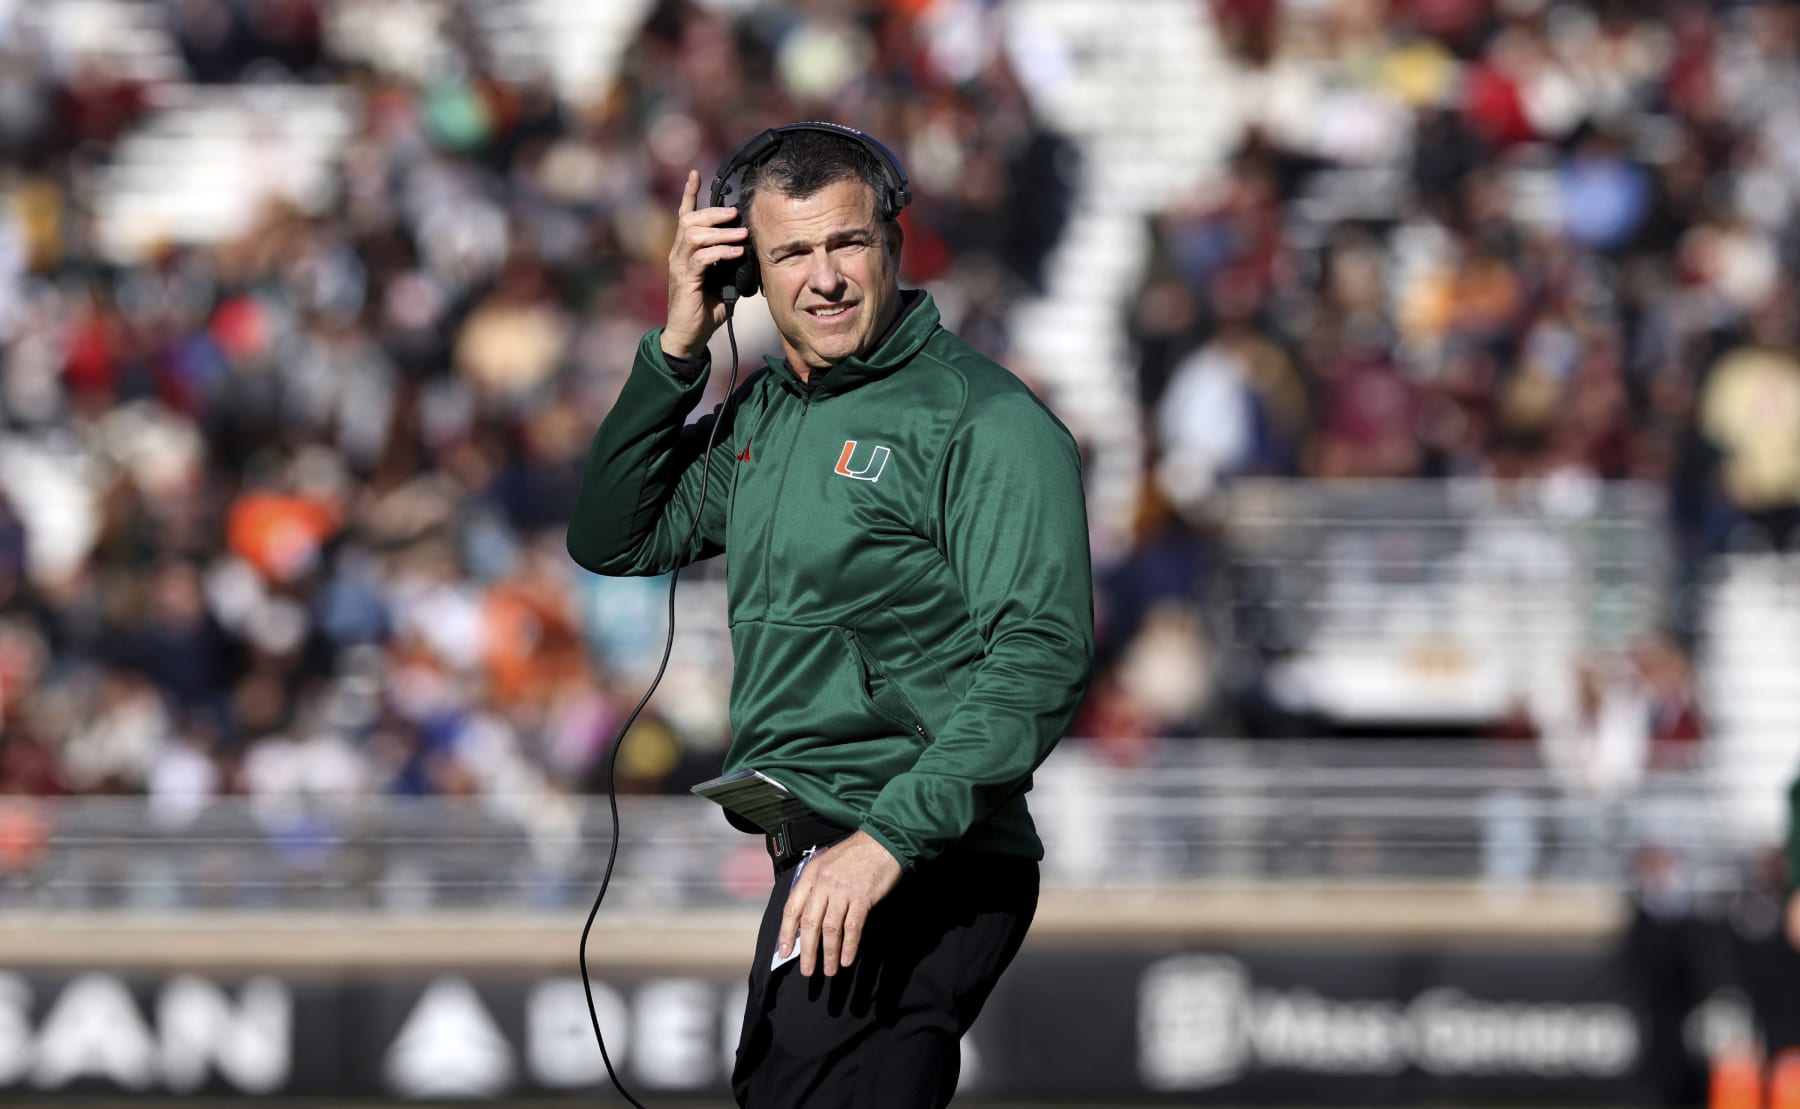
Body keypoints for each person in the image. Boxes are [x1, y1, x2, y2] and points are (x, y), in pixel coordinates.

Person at [565, 123, 1094, 1107]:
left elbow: (1042, 652)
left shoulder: (987, 422)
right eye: (791, 252)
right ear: (748, 276)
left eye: (847, 241)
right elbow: (613, 535)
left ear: (894, 242)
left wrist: (888, 839)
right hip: (829, 845)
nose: (826, 277)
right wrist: (678, 342)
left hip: (917, 855)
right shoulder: (768, 413)